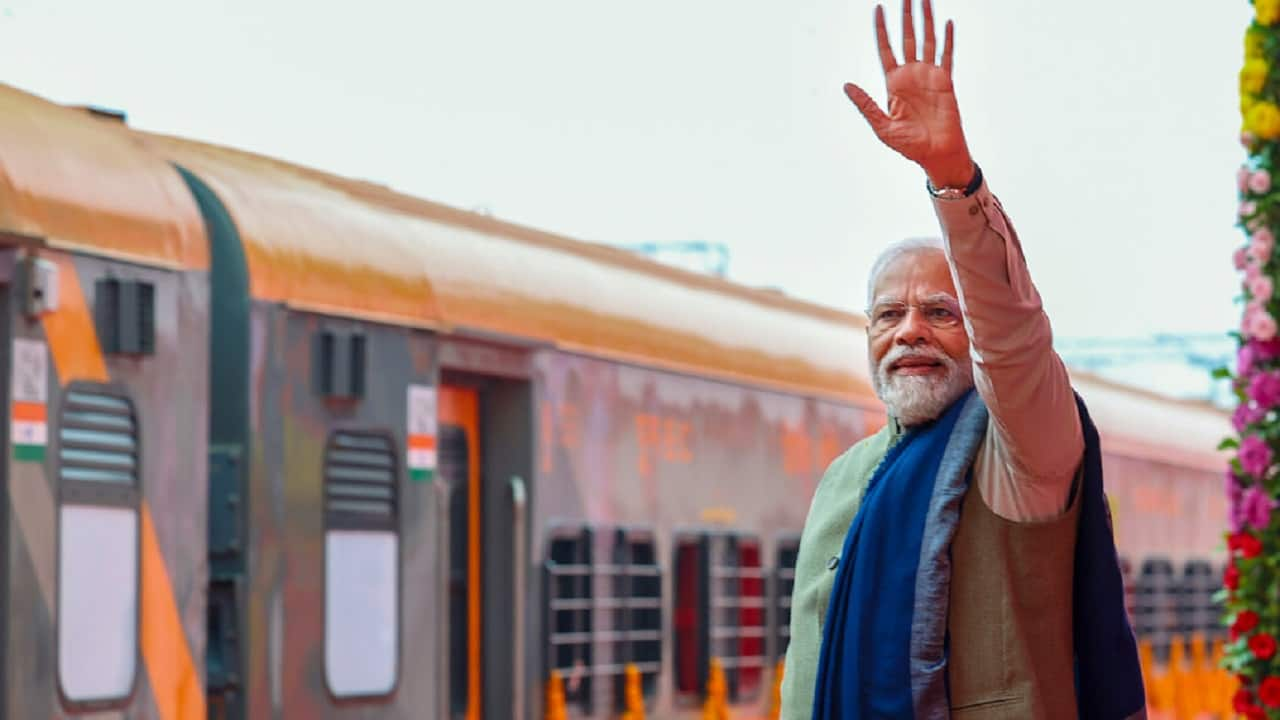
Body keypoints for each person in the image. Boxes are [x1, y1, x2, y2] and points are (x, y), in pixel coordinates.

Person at [778, 1, 1146, 718]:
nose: (909, 331)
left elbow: (1015, 340)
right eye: (889, 315)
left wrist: (952, 177)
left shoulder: (1022, 455)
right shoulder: (844, 481)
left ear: (972, 330)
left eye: (940, 312)